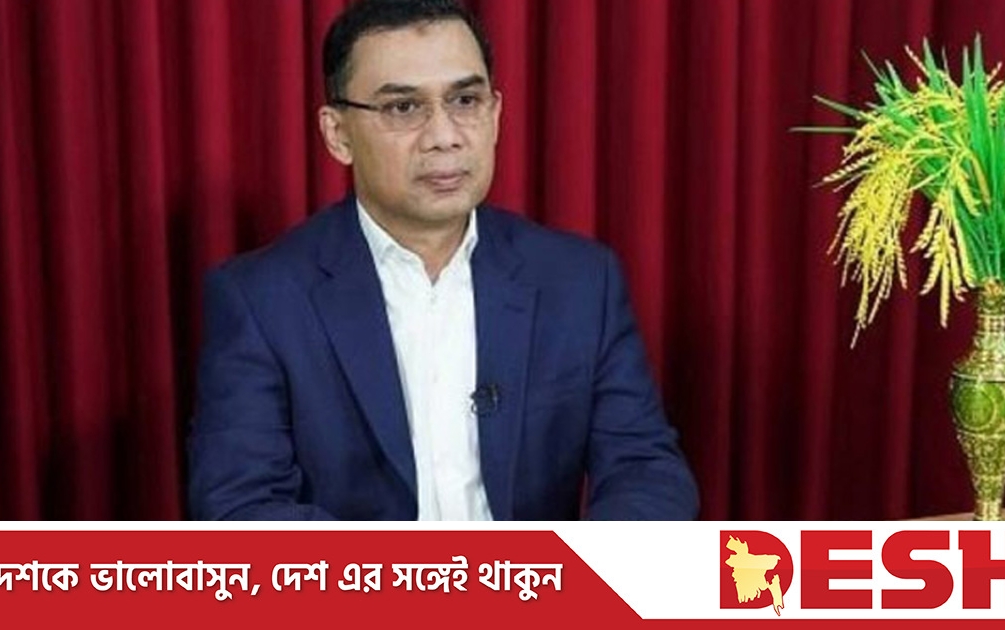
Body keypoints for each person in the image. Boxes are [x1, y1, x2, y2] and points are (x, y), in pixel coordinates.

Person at [188, 0, 698, 520]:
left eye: (465, 100)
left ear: (494, 115)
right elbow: (241, 508)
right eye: (403, 108)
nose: (444, 136)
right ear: (338, 134)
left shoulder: (580, 282)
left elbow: (645, 469)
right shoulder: (261, 299)